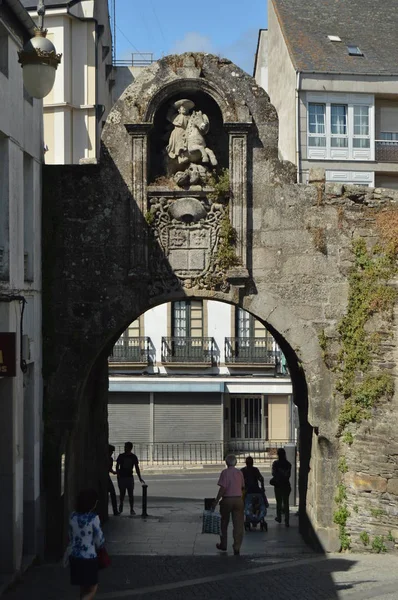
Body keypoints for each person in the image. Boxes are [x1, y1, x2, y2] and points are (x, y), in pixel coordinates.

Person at [68, 489, 105, 600]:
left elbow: (70, 536)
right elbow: (100, 540)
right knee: (92, 588)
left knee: (83, 588)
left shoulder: (72, 516)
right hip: (89, 558)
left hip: (75, 557)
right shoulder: (93, 518)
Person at [212, 454, 245, 555]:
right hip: (238, 500)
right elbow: (243, 487)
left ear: (226, 462)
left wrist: (216, 500)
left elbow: (223, 488)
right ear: (236, 462)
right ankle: (237, 546)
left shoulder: (224, 473)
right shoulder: (239, 473)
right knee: (238, 525)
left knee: (224, 523)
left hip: (227, 500)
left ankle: (223, 544)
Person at [116, 441, 145, 516]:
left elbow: (137, 467)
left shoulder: (133, 457)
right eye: (125, 446)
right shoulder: (121, 456)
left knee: (130, 494)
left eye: (126, 447)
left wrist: (140, 477)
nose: (125, 448)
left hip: (129, 477)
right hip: (123, 477)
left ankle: (131, 509)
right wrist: (118, 475)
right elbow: (117, 465)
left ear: (130, 448)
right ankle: (121, 504)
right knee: (122, 493)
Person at [166, 99, 195, 163]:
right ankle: (180, 156)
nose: (184, 109)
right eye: (182, 108)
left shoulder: (189, 117)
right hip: (177, 132)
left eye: (186, 108)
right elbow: (169, 117)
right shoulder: (176, 116)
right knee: (179, 143)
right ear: (179, 110)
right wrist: (171, 108)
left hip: (186, 132)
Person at [272, 447, 292, 527]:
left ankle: (279, 517)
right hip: (286, 485)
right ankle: (287, 520)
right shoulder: (288, 464)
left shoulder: (275, 463)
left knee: (279, 502)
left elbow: (273, 473)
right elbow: (288, 475)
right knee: (286, 503)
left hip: (278, 485)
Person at [108, 444, 119, 516]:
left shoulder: (110, 459)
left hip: (106, 476)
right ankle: (115, 511)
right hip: (105, 477)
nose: (112, 453)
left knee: (112, 493)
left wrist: (114, 472)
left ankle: (115, 511)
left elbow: (109, 469)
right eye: (111, 451)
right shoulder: (107, 459)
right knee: (112, 493)